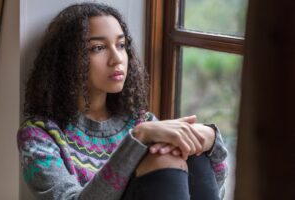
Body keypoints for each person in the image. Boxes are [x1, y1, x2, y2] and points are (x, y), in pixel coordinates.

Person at [17, 2, 228, 200]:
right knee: (168, 155)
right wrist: (137, 137)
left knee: (185, 149)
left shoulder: (141, 121)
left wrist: (210, 141)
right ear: (67, 59)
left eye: (121, 45)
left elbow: (202, 191)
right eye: (98, 48)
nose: (117, 58)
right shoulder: (38, 136)